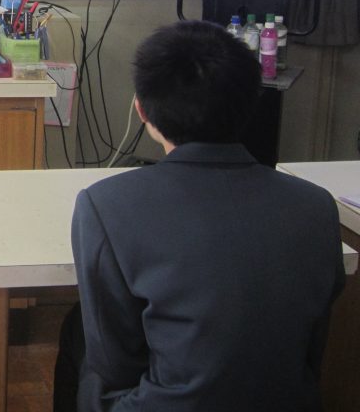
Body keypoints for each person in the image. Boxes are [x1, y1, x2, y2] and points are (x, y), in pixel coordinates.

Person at [56, 21, 345, 412]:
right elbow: (311, 348)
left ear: (141, 109)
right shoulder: (317, 205)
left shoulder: (105, 204)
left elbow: (114, 363)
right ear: (251, 102)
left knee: (80, 334)